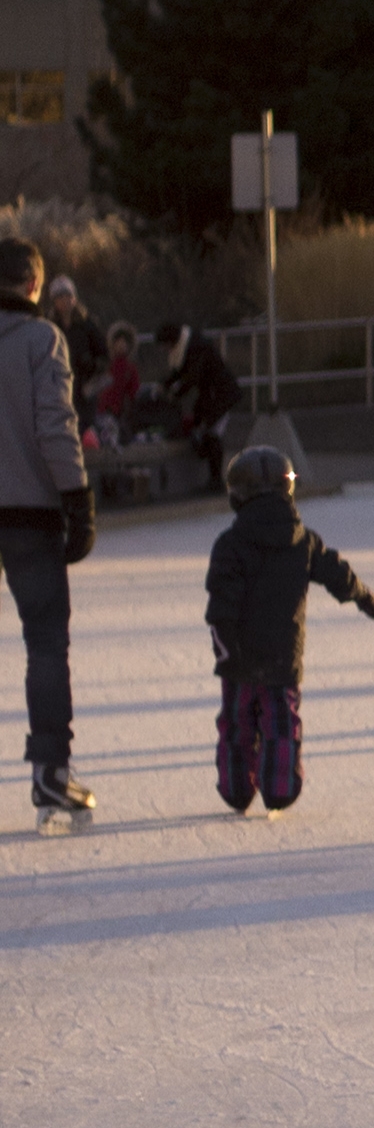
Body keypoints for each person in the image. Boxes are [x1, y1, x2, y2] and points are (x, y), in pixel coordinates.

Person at [207, 443, 374, 815]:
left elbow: (221, 604)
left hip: (238, 658)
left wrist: (224, 648)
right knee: (281, 723)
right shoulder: (303, 542)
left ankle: (237, 789)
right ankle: (281, 787)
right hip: (283, 657)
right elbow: (337, 572)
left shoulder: (230, 545)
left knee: (237, 726)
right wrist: (363, 596)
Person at [0, 236, 94, 825]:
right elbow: (55, 429)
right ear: (36, 285)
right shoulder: (42, 341)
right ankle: (51, 773)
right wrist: (78, 503)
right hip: (30, 514)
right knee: (44, 644)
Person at [155, 318, 245, 489]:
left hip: (220, 395)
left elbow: (191, 375)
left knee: (212, 433)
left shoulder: (196, 347)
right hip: (213, 396)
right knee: (207, 432)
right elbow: (182, 373)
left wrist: (175, 392)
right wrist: (166, 384)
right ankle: (214, 478)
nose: (166, 351)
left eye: (165, 346)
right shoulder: (189, 346)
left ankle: (216, 479)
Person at [44, 273, 104, 402]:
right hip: (58, 390)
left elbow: (103, 354)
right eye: (60, 296)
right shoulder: (49, 328)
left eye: (68, 296)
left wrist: (93, 379)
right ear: (54, 300)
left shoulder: (88, 325)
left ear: (74, 298)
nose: (65, 300)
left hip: (85, 389)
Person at [91, 324, 140, 448]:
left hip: (119, 412)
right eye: (118, 342)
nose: (121, 345)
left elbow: (134, 392)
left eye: (124, 343)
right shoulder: (106, 366)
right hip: (101, 410)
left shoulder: (130, 369)